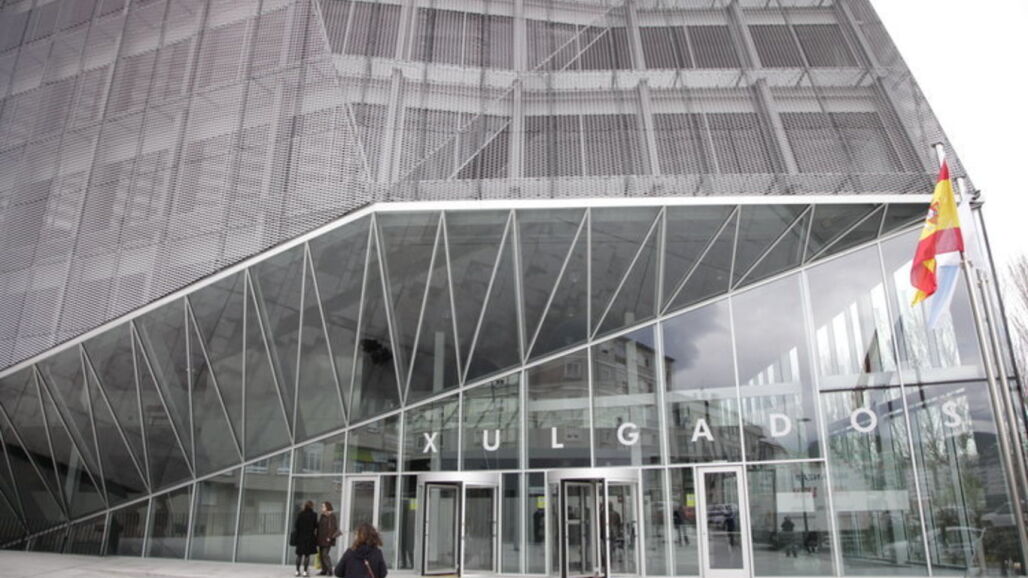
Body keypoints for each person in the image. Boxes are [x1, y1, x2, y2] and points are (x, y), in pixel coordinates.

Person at [294, 501, 319, 577]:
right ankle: (305, 572)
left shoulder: (300, 514)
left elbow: (296, 525)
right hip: (309, 537)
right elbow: (315, 526)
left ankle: (297, 571)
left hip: (300, 537)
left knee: (299, 555)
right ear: (312, 506)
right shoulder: (314, 515)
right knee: (307, 555)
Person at [318, 502, 341, 576]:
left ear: (327, 507)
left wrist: (329, 537)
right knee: (321, 555)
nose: (322, 508)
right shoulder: (322, 516)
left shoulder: (331, 516)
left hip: (327, 539)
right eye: (322, 506)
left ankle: (330, 570)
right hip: (321, 538)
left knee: (325, 554)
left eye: (323, 506)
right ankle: (324, 570)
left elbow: (333, 528)